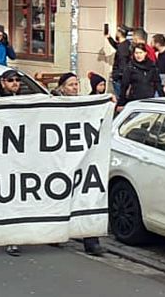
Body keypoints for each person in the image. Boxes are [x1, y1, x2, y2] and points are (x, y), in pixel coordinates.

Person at [52, 72, 107, 256]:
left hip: (81, 160)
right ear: (61, 88)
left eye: (76, 85)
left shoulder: (84, 104)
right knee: (59, 197)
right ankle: (55, 234)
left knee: (85, 197)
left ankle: (90, 240)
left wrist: (109, 102)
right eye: (70, 85)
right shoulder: (52, 105)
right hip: (59, 161)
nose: (74, 88)